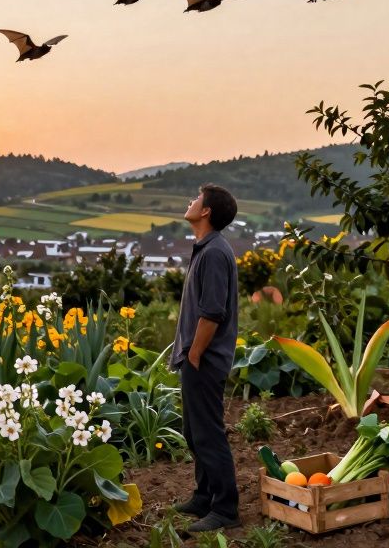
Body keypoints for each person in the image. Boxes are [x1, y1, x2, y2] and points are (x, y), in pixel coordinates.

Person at [170, 183, 240, 532]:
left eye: (195, 198)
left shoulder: (214, 253)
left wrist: (195, 353)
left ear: (207, 211)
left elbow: (212, 312)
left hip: (205, 360)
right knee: (194, 431)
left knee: (209, 433)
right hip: (196, 358)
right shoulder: (206, 248)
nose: (191, 201)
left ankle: (225, 509)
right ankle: (204, 496)